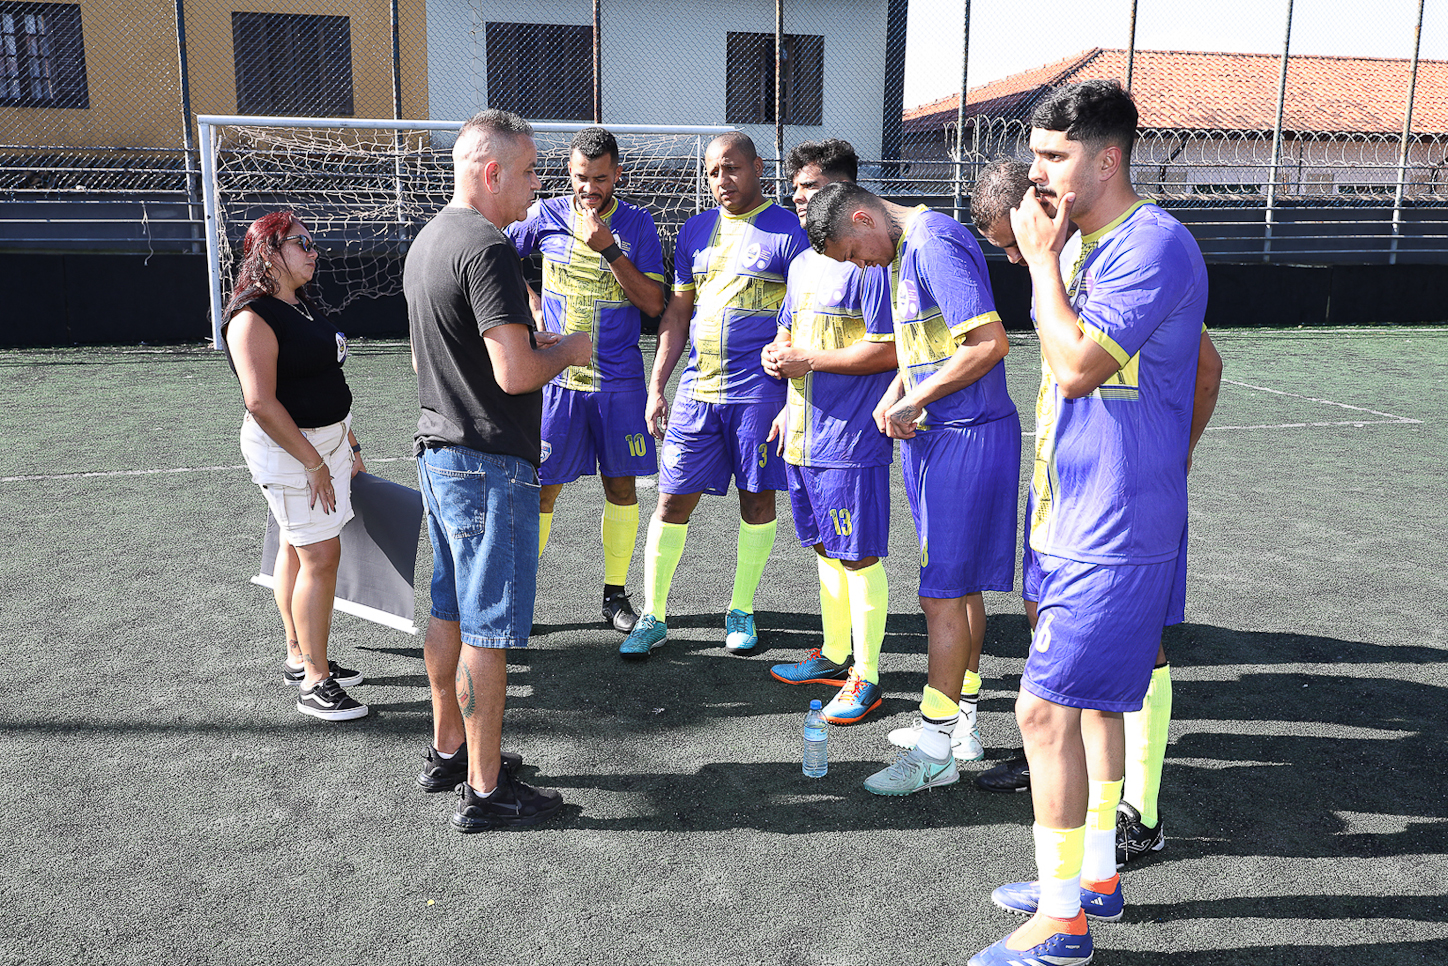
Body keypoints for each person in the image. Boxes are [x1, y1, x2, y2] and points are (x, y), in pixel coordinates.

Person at [967, 81, 1210, 966]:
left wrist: (1039, 262)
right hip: (1075, 517)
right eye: (1036, 155)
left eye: (1053, 157)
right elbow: (1202, 365)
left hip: (1110, 532)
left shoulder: (1152, 245)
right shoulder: (1095, 244)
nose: (1036, 176)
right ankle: (1095, 877)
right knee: (1103, 705)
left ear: (1107, 159)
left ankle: (1062, 924)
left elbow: (1073, 367)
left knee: (1040, 714)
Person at [404, 109, 592, 832]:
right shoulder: (485, 247)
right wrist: (568, 349)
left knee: (449, 610)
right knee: (485, 630)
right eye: (530, 170)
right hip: (487, 462)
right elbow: (515, 374)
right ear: (491, 171)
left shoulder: (430, 239)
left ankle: (450, 749)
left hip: (441, 453)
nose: (538, 184)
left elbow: (445, 358)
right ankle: (484, 790)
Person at [805, 181, 1020, 796]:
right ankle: (962, 726)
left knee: (941, 596)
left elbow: (987, 343)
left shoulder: (934, 242)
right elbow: (925, 347)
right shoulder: (903, 251)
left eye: (853, 252)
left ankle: (934, 747)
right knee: (957, 589)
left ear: (866, 217)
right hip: (939, 434)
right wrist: (897, 396)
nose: (860, 264)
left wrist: (917, 397)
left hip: (966, 435)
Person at [618, 132, 809, 660]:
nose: (721, 181)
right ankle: (654, 615)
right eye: (711, 172)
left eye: (731, 169)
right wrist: (658, 383)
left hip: (759, 394)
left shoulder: (791, 232)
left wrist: (794, 389)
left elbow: (806, 316)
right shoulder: (695, 231)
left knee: (756, 497)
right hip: (697, 391)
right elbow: (677, 314)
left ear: (756, 167)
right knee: (672, 498)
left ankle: (741, 609)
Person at [507, 127, 667, 634]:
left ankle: (615, 596)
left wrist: (610, 250)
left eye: (600, 179)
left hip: (620, 384)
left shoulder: (639, 226)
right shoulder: (545, 214)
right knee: (543, 489)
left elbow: (654, 304)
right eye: (581, 178)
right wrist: (529, 304)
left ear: (618, 173)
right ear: (569, 172)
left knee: (620, 486)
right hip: (557, 381)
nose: (589, 189)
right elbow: (492, 257)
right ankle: (521, 595)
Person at [761, 139, 898, 725]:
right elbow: (790, 334)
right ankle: (835, 653)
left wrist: (808, 362)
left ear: (847, 196)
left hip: (850, 441)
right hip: (802, 434)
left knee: (859, 555)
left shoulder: (870, 262)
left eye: (813, 191)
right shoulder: (799, 263)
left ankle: (867, 675)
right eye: (795, 192)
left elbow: (888, 350)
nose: (801, 202)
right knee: (822, 547)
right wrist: (779, 364)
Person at [222, 210, 368, 722]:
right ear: (269, 252)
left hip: (322, 445)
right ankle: (315, 681)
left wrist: (346, 442)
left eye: (312, 241)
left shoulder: (301, 304)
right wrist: (314, 463)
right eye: (302, 242)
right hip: (290, 450)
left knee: (295, 543)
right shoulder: (252, 317)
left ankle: (300, 654)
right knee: (321, 555)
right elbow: (260, 402)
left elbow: (324, 376)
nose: (314, 251)